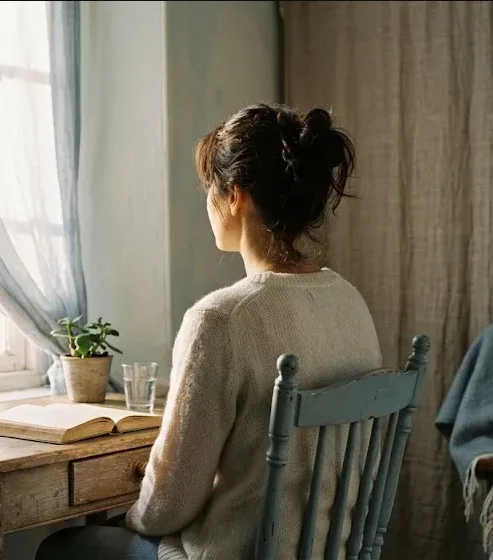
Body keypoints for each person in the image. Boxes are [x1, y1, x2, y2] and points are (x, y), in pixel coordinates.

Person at [35, 102, 382, 560]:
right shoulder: (351, 303)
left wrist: (133, 521)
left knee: (63, 548)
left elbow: (170, 504)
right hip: (335, 552)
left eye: (208, 188)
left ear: (235, 196)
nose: (207, 203)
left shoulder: (221, 319)